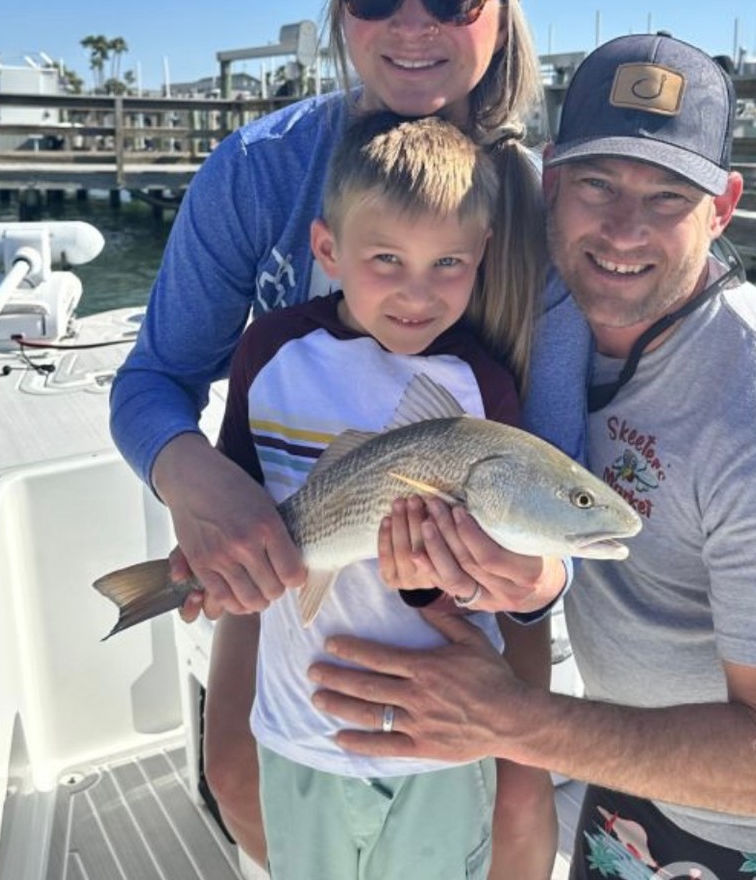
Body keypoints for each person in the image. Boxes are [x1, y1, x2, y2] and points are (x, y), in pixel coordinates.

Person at [307, 33, 756, 880]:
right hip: (635, 775)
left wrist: (509, 720)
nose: (623, 229)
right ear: (551, 187)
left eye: (669, 196)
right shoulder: (547, 326)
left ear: (723, 207)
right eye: (598, 185)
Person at [108, 0, 565, 877]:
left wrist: (524, 577)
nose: (411, 20)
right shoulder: (258, 171)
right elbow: (152, 380)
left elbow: (560, 451)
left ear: (501, 10)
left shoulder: (535, 206)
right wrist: (194, 478)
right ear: (339, 7)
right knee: (235, 773)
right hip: (300, 546)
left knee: (518, 821)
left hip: (474, 565)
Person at [212, 111, 566, 879]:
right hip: (296, 723)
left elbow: (491, 582)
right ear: (327, 250)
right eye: (385, 260)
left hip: (434, 743)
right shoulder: (267, 352)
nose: (418, 291)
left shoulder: (480, 386)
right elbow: (234, 496)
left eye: (448, 263)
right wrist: (212, 556)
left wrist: (438, 583)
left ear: (483, 257)